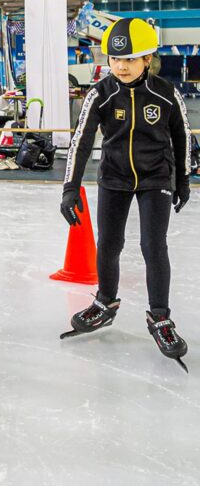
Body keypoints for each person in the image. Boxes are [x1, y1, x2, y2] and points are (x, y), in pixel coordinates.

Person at [60, 18, 190, 367]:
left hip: (155, 178)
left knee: (153, 245)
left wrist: (183, 179)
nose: (121, 66)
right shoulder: (101, 93)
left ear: (147, 59)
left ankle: (160, 317)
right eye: (115, 59)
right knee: (109, 244)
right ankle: (105, 302)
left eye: (130, 59)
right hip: (114, 178)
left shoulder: (165, 92)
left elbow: (182, 136)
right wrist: (70, 189)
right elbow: (81, 142)